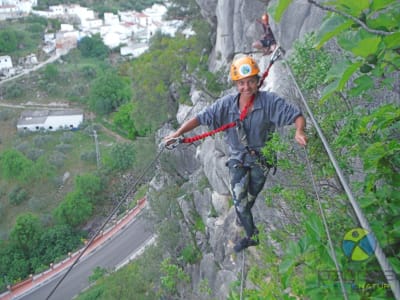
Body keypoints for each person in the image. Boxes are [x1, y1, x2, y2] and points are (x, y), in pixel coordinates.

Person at [164, 56, 307, 252]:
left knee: (250, 197)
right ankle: (252, 235)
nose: (246, 87)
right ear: (236, 84)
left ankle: (244, 218)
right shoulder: (226, 105)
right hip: (238, 159)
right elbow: (200, 118)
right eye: (241, 83)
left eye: (250, 82)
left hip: (261, 161)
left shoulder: (269, 102)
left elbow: (296, 116)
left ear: (258, 81)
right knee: (240, 201)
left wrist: (299, 131)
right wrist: (178, 133)